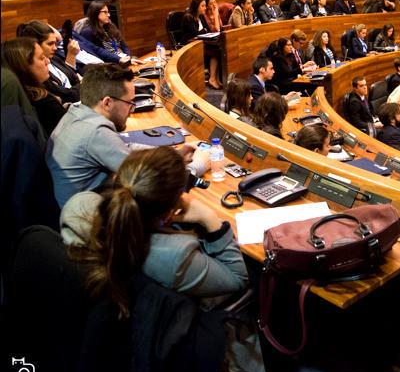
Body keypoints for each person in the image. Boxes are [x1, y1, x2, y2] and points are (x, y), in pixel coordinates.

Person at [61, 146, 249, 307]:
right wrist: (209, 218)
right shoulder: (175, 255)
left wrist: (168, 168)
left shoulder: (77, 207)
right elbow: (238, 278)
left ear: (118, 176)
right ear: (169, 213)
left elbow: (143, 188)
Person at [46, 62, 209, 207]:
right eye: (130, 102)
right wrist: (197, 167)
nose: (132, 108)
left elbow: (126, 148)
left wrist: (174, 155)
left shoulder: (76, 114)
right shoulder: (95, 132)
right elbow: (148, 180)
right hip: (93, 226)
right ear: (108, 103)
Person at [2, 37, 64, 136]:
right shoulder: (44, 103)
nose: (48, 61)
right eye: (41, 58)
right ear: (23, 68)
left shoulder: (40, 89)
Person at [16, 20, 80, 104]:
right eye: (50, 44)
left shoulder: (54, 58)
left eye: (55, 43)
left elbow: (74, 78)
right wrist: (83, 84)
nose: (55, 48)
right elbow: (69, 96)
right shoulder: (38, 71)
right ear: (35, 45)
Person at [180, 0, 221, 89]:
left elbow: (208, 31)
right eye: (202, 6)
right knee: (215, 51)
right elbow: (195, 34)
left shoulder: (201, 16)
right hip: (189, 44)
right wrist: (203, 31)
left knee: (219, 48)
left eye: (205, 6)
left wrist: (203, 31)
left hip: (201, 42)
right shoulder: (188, 18)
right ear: (196, 7)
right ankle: (212, 79)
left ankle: (215, 78)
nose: (205, 8)